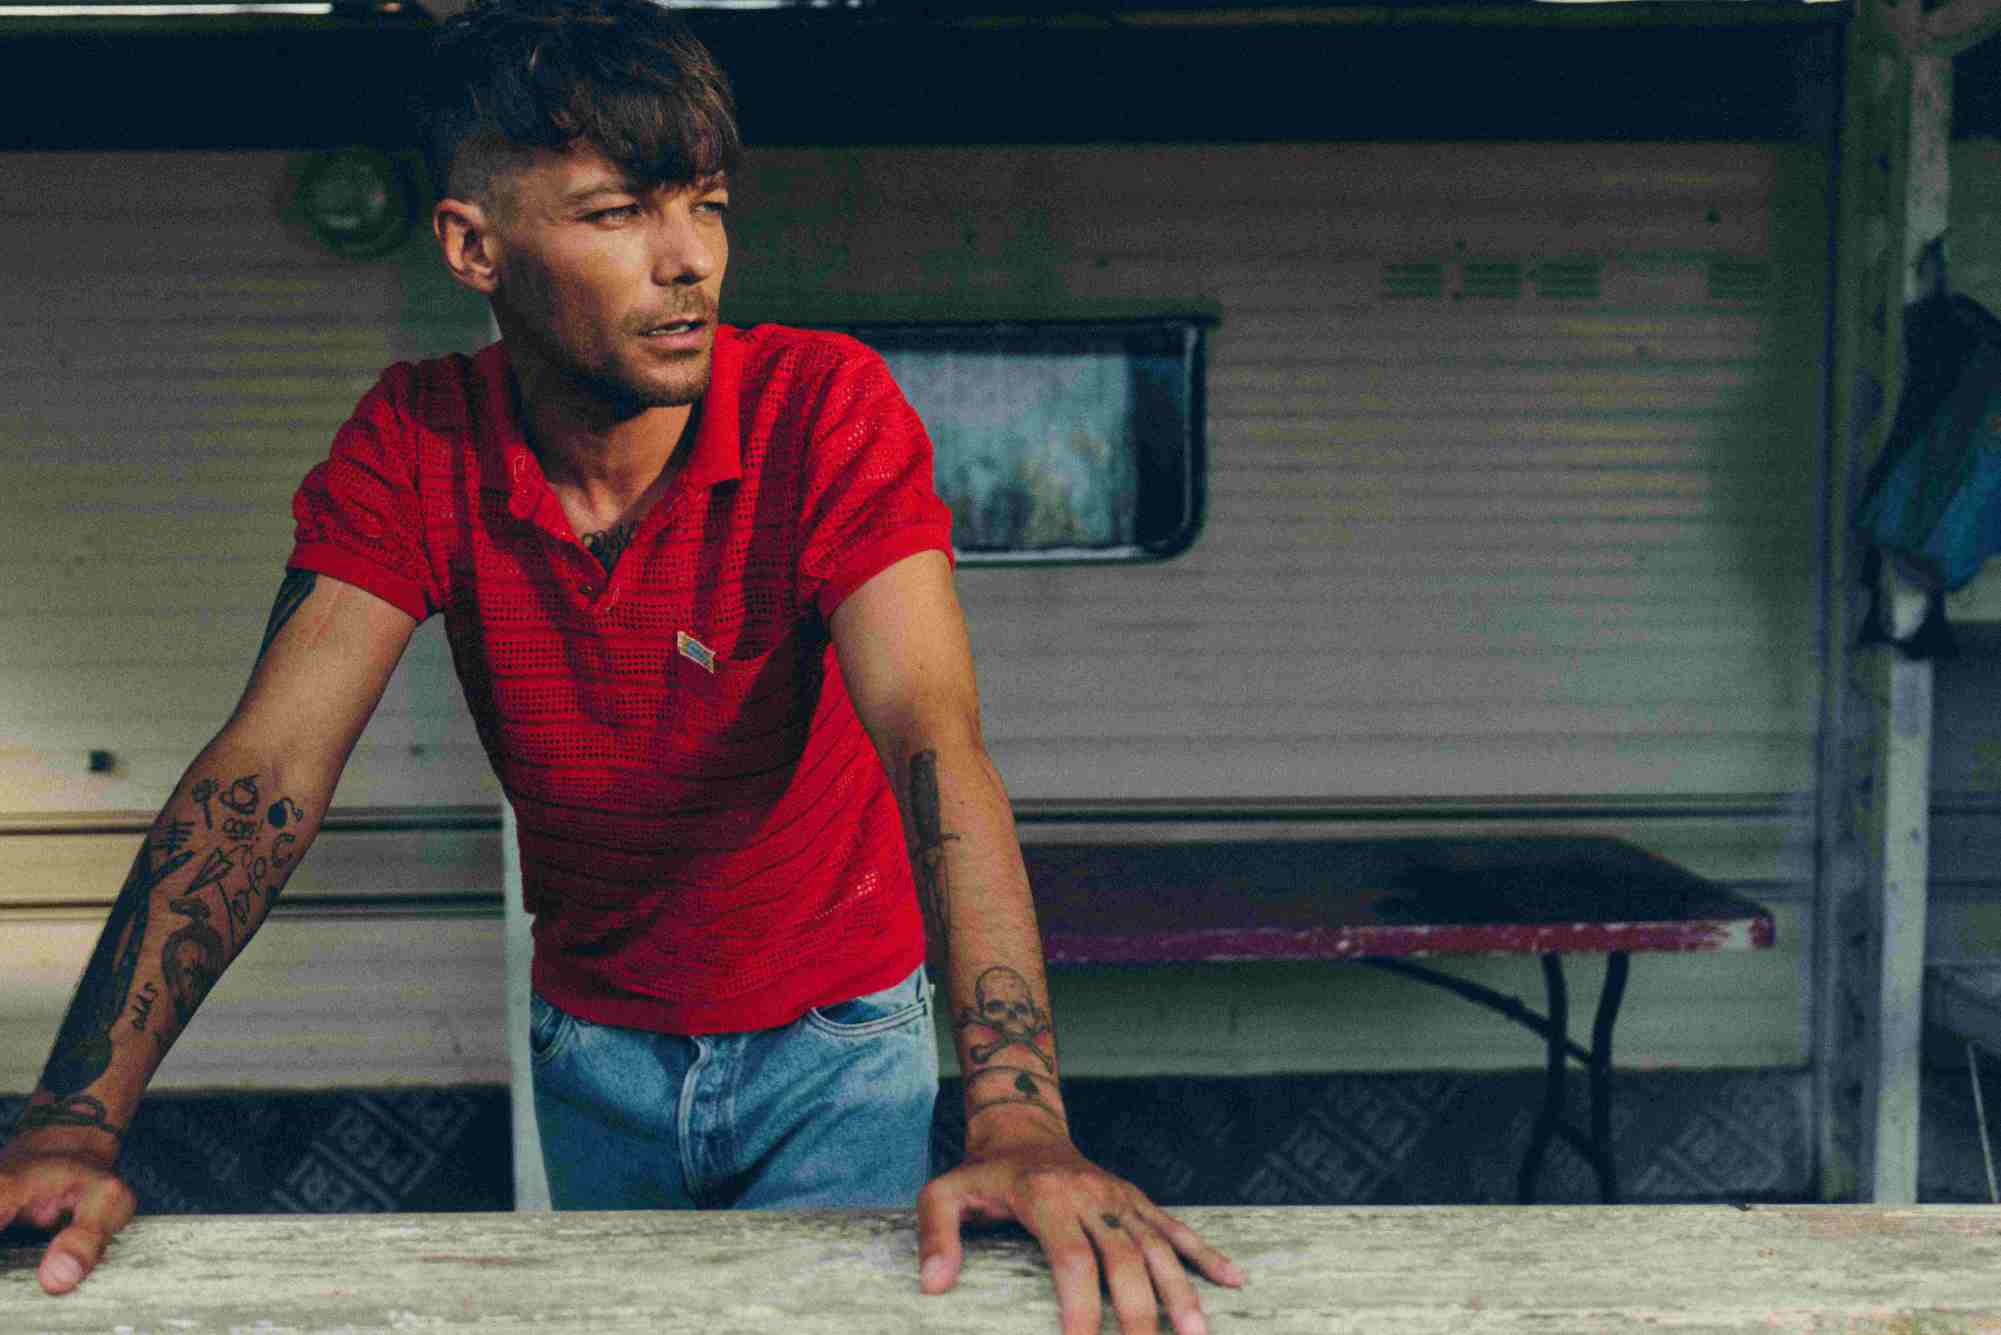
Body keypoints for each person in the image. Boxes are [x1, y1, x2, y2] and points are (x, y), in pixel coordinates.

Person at [0, 2, 1242, 1331]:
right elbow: (266, 774)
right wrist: (72, 1126)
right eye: (616, 214)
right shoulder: (417, 442)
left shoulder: (823, 408)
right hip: (592, 1041)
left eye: (706, 205)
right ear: (474, 247)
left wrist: (1019, 1119)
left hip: (837, 1036)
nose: (689, 259)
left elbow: (932, 741)